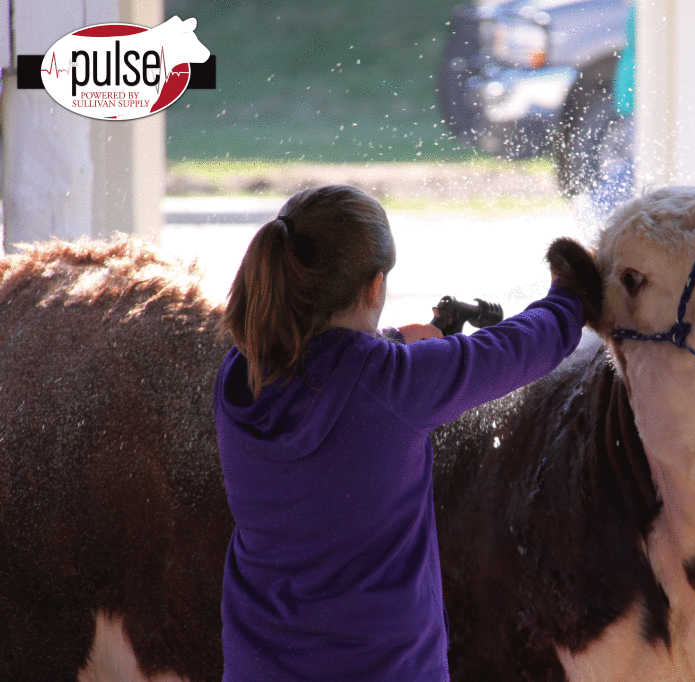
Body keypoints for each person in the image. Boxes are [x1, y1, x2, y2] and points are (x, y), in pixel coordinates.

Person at [213, 185, 586, 682]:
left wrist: (411, 338)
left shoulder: (241, 372)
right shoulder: (393, 383)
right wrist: (570, 290)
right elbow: (525, 347)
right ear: (374, 286)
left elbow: (326, 363)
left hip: (259, 666)